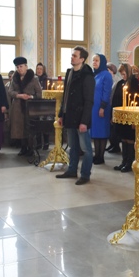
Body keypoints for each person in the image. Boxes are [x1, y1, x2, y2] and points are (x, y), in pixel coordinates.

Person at [56, 46, 95, 185]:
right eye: (72, 55)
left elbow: (89, 100)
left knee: (86, 149)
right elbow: (65, 96)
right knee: (73, 146)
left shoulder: (87, 75)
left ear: (82, 59)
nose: (72, 58)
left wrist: (84, 121)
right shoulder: (70, 72)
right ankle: (72, 170)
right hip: (70, 115)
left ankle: (85, 174)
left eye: (75, 56)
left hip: (81, 117)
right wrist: (61, 115)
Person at [9, 57, 42, 156]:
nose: (19, 69)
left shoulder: (34, 78)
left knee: (29, 127)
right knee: (20, 127)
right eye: (17, 67)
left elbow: (39, 93)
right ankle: (23, 148)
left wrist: (30, 96)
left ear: (26, 66)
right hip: (18, 106)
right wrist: (19, 95)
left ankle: (31, 148)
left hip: (30, 106)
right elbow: (10, 91)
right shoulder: (15, 78)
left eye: (21, 66)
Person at [91, 53, 113, 165]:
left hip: (102, 107)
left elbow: (106, 92)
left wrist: (102, 107)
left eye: (97, 60)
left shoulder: (106, 75)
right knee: (95, 131)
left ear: (102, 62)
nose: (94, 62)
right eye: (93, 60)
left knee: (102, 132)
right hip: (94, 108)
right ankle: (96, 155)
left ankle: (101, 156)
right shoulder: (95, 74)